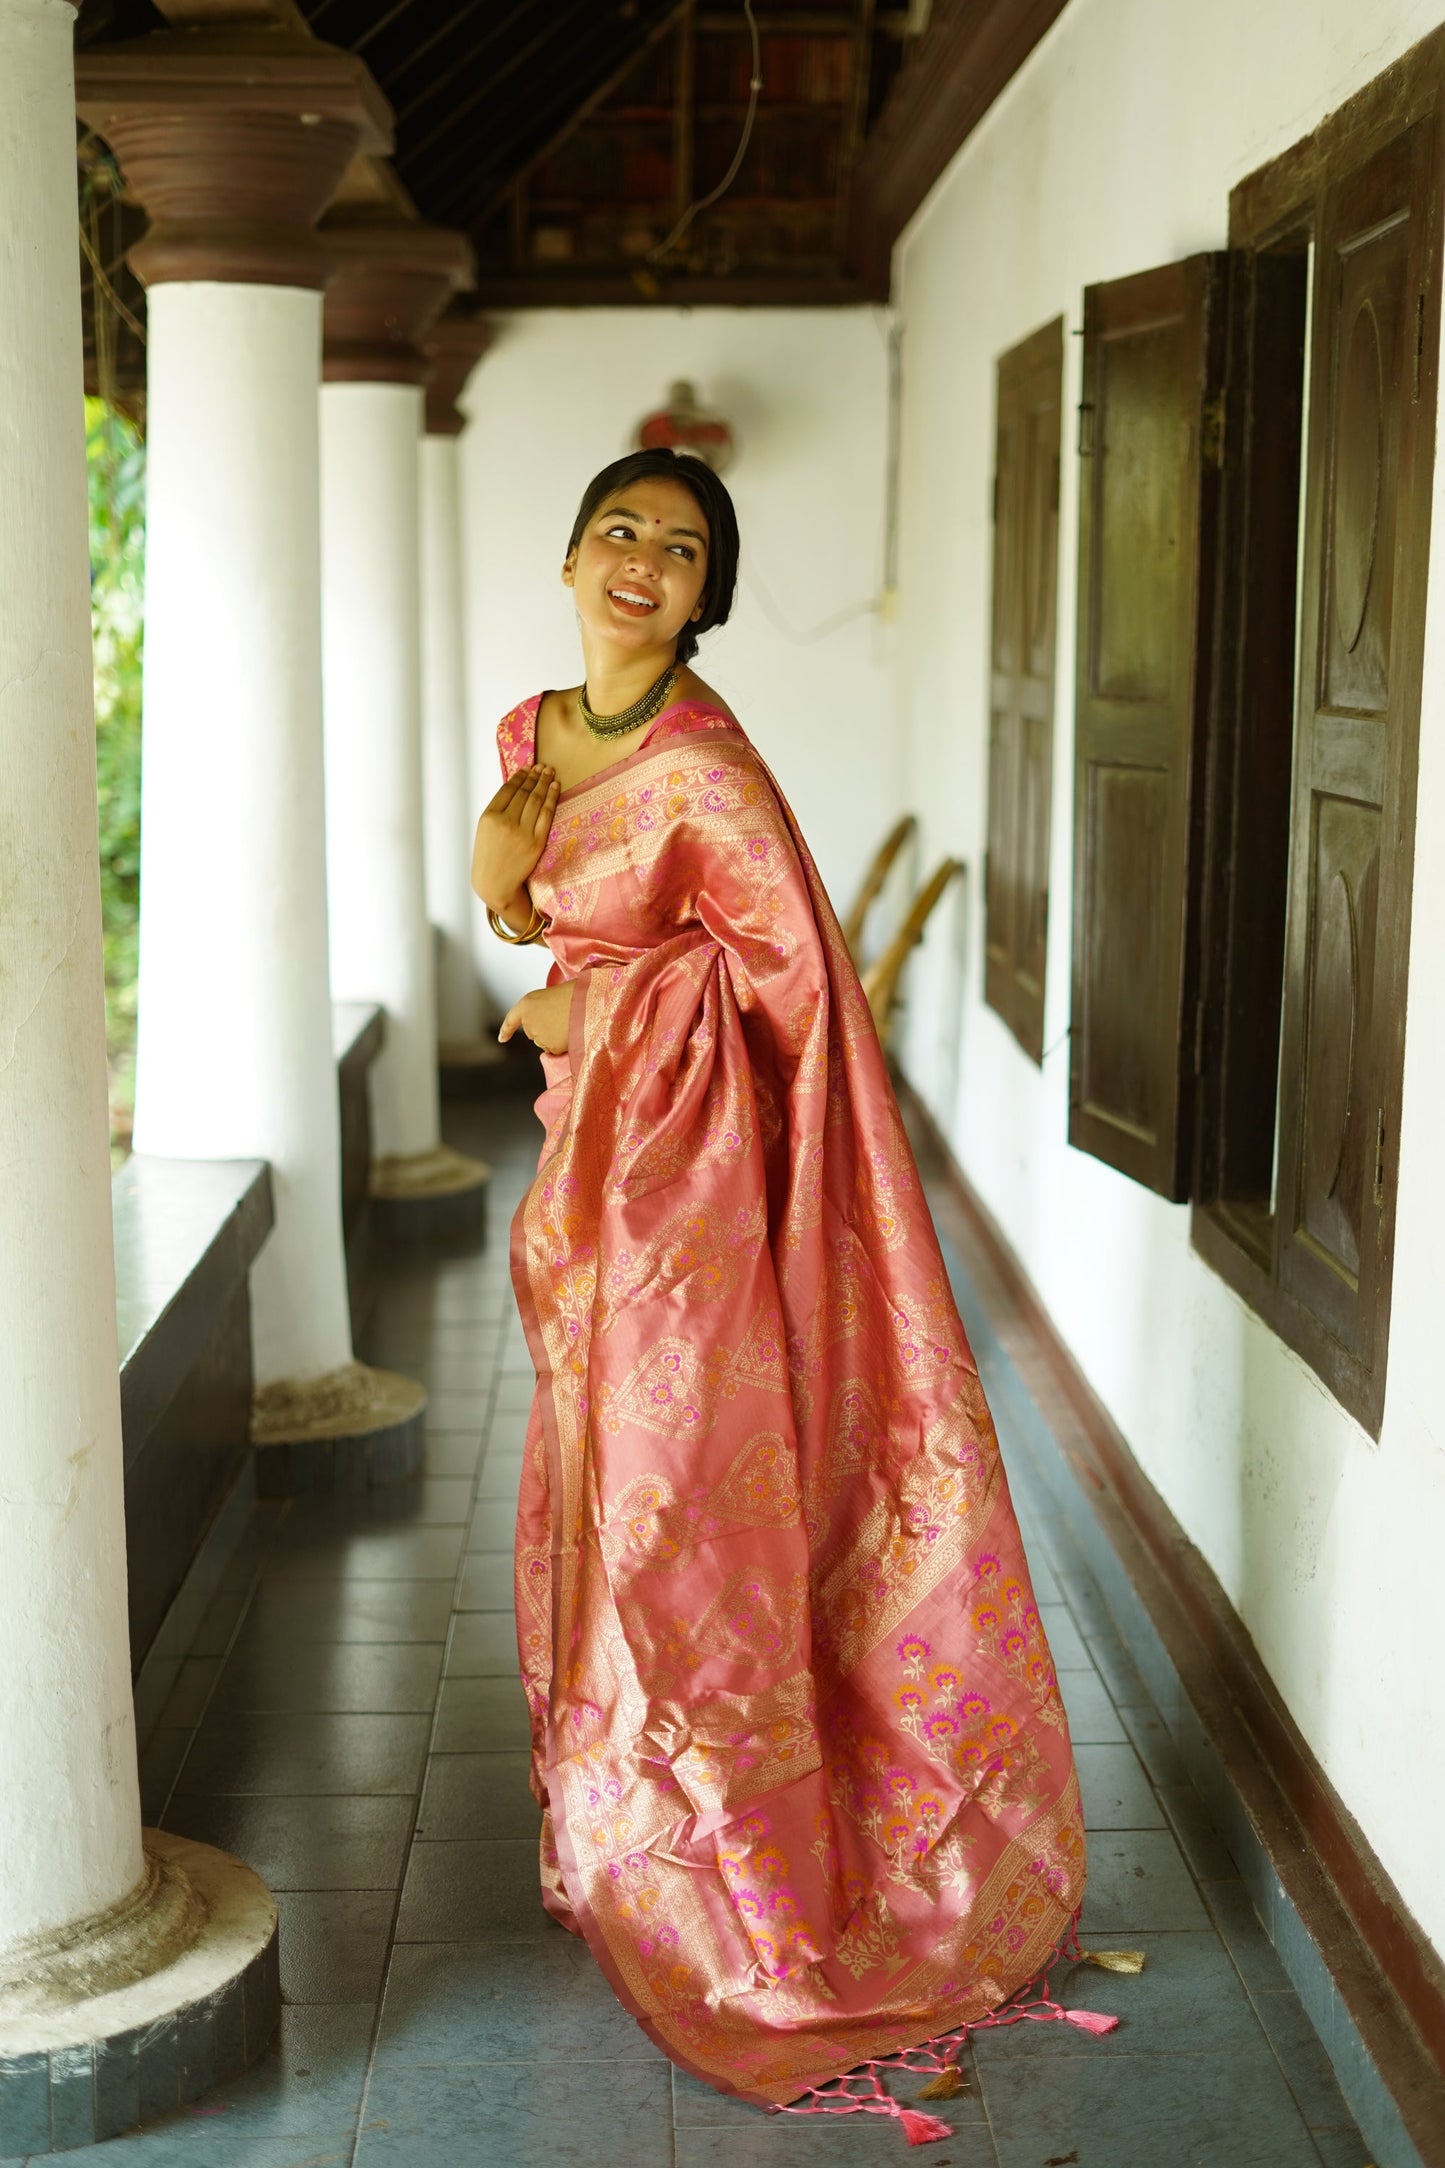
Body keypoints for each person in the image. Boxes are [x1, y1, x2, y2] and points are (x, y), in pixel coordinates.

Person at [469, 447, 1085, 2114]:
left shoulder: (709, 772)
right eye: (619, 531)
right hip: (588, 1178)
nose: (642, 564)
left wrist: (576, 1015)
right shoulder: (535, 737)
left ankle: (743, 1882)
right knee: (597, 1494)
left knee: (684, 1519)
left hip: (698, 1198)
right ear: (572, 550)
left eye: (680, 550)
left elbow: (782, 995)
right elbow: (549, 925)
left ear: (706, 597)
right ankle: (622, 1828)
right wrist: (502, 889)